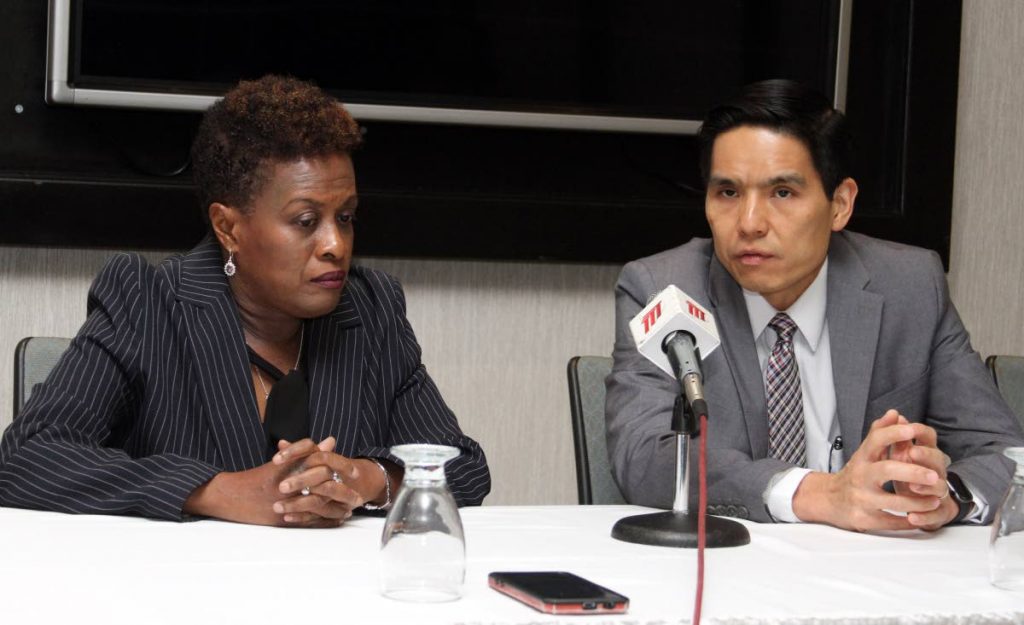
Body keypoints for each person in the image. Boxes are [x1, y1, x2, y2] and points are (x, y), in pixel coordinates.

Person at [0, 75, 490, 526]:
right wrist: (214, 491)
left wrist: (370, 481)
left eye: (345, 217)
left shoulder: (372, 308)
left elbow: (462, 466)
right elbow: (28, 458)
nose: (335, 245)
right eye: (305, 220)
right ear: (228, 228)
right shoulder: (145, 301)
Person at [605, 79, 1024, 532]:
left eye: (782, 193)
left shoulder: (910, 286)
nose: (748, 224)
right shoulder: (665, 290)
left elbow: (1004, 453)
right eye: (728, 193)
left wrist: (947, 496)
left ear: (840, 204)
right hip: (731, 568)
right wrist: (819, 494)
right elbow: (644, 457)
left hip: (871, 573)